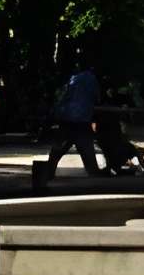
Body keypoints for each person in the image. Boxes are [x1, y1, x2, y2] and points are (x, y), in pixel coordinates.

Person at [34, 56, 103, 185]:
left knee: (58, 148)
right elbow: (96, 97)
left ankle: (49, 171)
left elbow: (64, 97)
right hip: (82, 120)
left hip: (67, 117)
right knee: (86, 148)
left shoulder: (74, 79)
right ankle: (93, 171)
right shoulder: (91, 79)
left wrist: (56, 111)